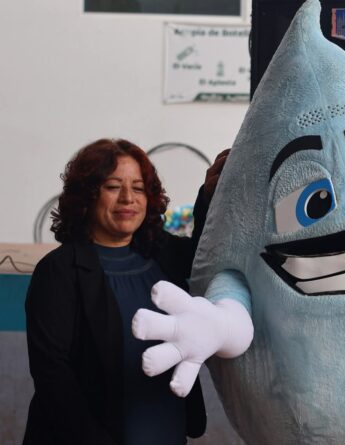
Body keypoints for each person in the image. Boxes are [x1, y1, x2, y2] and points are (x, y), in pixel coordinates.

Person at [23, 139, 228, 444]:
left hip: (165, 430)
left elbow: (206, 255)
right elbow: (54, 378)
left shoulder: (162, 253)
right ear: (88, 195)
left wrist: (210, 196)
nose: (128, 198)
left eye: (139, 187)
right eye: (113, 186)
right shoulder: (59, 272)